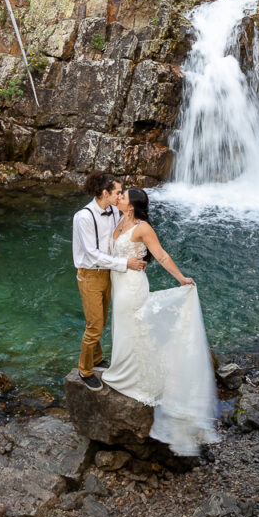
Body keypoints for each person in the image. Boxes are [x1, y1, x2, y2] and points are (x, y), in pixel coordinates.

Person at [103, 187, 220, 456]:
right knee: (123, 329)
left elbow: (161, 255)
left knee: (135, 328)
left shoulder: (143, 228)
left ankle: (134, 378)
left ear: (132, 205)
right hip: (119, 283)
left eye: (123, 196)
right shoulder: (119, 220)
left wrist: (181, 278)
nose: (118, 197)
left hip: (132, 287)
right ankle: (124, 368)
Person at [72, 172, 147, 392]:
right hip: (90, 273)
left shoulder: (115, 210)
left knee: (102, 319)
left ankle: (97, 359)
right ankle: (84, 370)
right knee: (94, 325)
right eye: (118, 192)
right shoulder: (83, 217)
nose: (121, 195)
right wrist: (125, 263)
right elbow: (93, 254)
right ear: (105, 193)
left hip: (110, 272)